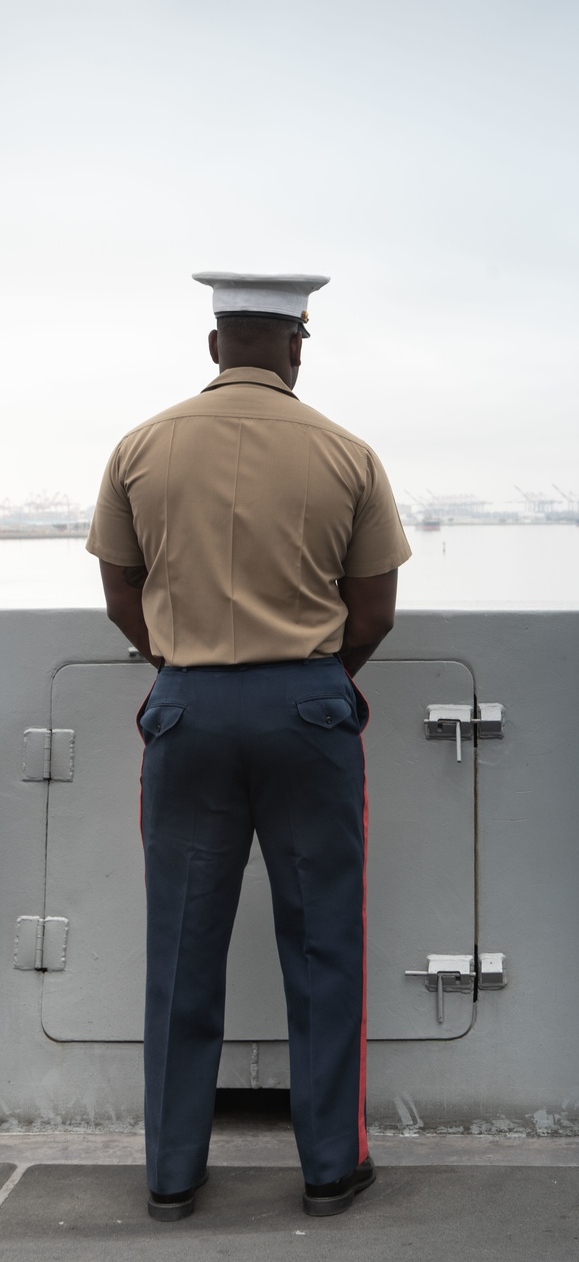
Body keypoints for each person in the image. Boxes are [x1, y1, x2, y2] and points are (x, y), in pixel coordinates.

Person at [85, 272, 411, 1221]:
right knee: (323, 942)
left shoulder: (141, 447)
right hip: (309, 710)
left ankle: (173, 1175)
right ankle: (327, 1169)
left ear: (215, 342)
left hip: (187, 712)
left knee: (183, 945)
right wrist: (312, 677)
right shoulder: (347, 452)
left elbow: (121, 593)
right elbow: (375, 610)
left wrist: (181, 660)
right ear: (297, 343)